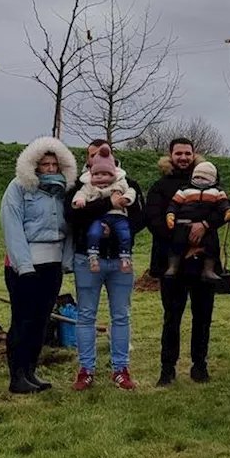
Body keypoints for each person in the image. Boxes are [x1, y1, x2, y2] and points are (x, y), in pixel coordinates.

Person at [0, 136, 76, 395]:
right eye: (45, 164)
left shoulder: (64, 191)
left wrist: (66, 262)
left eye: (55, 164)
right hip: (26, 264)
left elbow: (70, 230)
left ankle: (31, 370)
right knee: (23, 319)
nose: (51, 169)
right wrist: (23, 265)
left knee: (42, 320)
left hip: (52, 265)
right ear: (34, 165)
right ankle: (16, 374)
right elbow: (12, 227)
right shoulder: (18, 188)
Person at [67, 140, 145, 391]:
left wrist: (116, 231)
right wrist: (108, 204)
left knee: (121, 315)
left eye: (100, 154)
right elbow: (73, 217)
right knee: (86, 315)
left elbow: (139, 218)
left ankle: (120, 368)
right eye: (90, 155)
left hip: (120, 259)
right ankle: (86, 369)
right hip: (87, 259)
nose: (94, 159)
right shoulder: (78, 185)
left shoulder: (129, 184)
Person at [144, 138, 221, 386]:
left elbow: (219, 213)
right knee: (172, 317)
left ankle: (200, 365)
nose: (184, 157)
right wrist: (184, 242)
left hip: (203, 261)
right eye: (179, 153)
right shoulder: (160, 186)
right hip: (173, 260)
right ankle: (167, 368)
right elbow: (154, 220)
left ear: (194, 155)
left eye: (188, 153)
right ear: (171, 155)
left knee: (203, 316)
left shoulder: (211, 184)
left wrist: (203, 233)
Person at [71, 143, 137, 274]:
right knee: (94, 233)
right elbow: (73, 215)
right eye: (93, 155)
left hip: (116, 253)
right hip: (84, 255)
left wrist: (126, 200)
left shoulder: (123, 182)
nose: (98, 158)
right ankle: (93, 257)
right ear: (87, 157)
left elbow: (139, 215)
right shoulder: (81, 183)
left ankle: (125, 257)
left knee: (124, 233)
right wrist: (80, 201)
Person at [163, 162, 230, 282]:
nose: (199, 180)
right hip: (183, 222)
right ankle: (173, 266)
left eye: (203, 177)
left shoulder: (216, 191)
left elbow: (223, 203)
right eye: (196, 177)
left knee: (212, 244)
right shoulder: (184, 190)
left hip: (207, 227)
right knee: (177, 242)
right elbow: (174, 203)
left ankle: (208, 269)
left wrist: (227, 211)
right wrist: (170, 214)